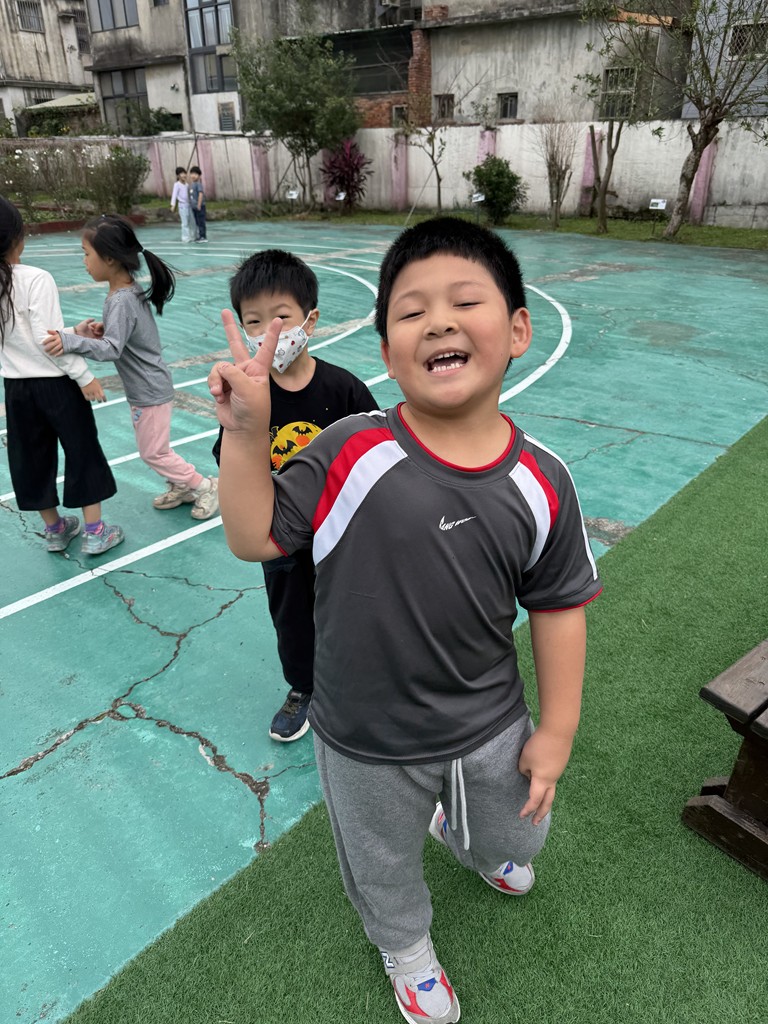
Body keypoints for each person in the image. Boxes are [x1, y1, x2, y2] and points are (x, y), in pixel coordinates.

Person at [209, 218, 601, 1024]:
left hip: (489, 719)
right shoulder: (349, 449)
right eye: (413, 311)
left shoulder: (543, 479)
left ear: (518, 330)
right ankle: (407, 948)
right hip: (365, 731)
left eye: (465, 301)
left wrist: (558, 728)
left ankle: (466, 836)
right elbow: (254, 536)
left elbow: (559, 608)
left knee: (516, 839)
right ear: (388, 353)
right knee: (381, 862)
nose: (440, 322)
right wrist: (245, 432)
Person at [211, 249, 378, 741]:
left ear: (310, 319)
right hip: (278, 536)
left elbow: (374, 455)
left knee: (353, 608)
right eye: (254, 321)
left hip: (339, 535)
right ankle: (304, 686)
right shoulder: (247, 398)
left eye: (280, 317)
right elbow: (233, 464)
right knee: (291, 617)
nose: (269, 332)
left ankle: (359, 679)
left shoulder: (344, 389)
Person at [43, 215, 219, 520]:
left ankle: (204, 486)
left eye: (87, 254)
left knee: (154, 452)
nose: (84, 262)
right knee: (155, 449)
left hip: (150, 390)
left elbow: (112, 349)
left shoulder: (121, 299)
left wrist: (70, 341)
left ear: (109, 258)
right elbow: (124, 337)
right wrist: (107, 331)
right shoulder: (126, 291)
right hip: (146, 388)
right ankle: (182, 485)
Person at [0, 197, 124, 556]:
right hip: (56, 386)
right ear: (18, 237)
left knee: (30, 457)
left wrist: (72, 332)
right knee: (82, 449)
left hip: (17, 390)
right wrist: (85, 377)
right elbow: (47, 342)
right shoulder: (36, 278)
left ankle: (55, 529)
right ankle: (95, 532)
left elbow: (26, 337)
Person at [170, 167, 195, 244]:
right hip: (182, 206)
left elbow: (190, 195)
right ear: (178, 176)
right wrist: (173, 205)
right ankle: (185, 238)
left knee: (192, 221)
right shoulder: (177, 185)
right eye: (181, 174)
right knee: (185, 223)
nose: (184, 175)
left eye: (185, 173)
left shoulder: (187, 185)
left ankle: (193, 236)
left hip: (189, 205)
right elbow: (174, 195)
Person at [188, 166, 207, 243]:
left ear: (199, 176)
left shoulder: (198, 184)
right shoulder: (191, 184)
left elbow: (200, 194)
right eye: (192, 174)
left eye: (195, 174)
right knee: (197, 222)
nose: (193, 176)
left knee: (201, 222)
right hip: (194, 207)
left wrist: (199, 204)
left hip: (200, 207)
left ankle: (203, 236)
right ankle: (199, 235)